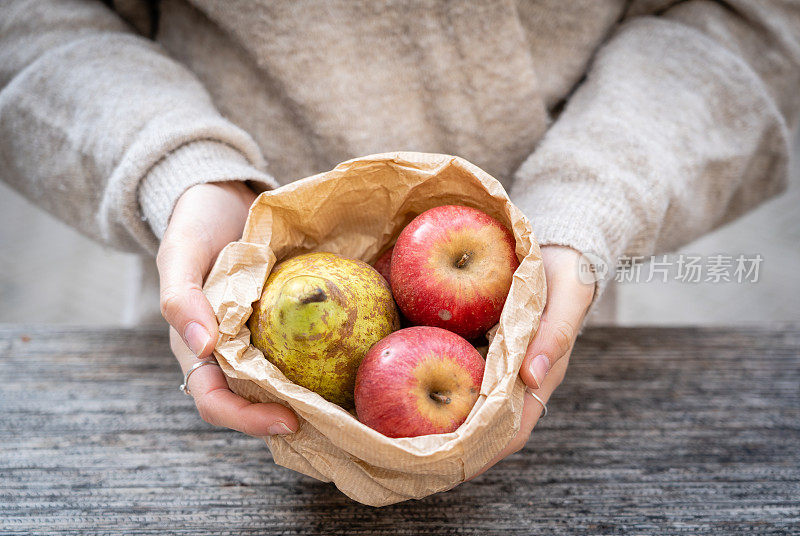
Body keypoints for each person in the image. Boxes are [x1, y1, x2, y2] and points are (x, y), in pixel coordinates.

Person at [1, 1, 798, 475]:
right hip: (215, 341)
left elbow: (756, 19)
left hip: (540, 356)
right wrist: (178, 167)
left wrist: (590, 206)